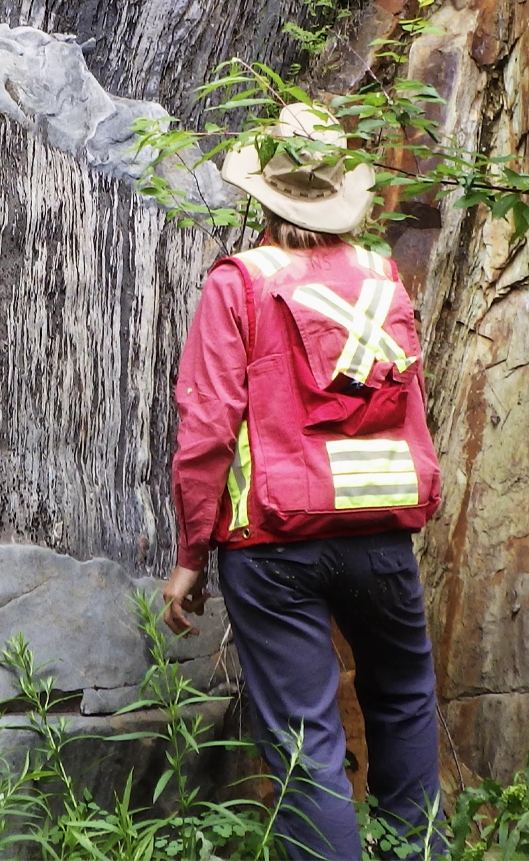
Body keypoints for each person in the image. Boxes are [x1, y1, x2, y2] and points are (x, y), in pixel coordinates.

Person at [160, 102, 445, 860]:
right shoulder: (381, 277)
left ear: (264, 195)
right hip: (381, 526)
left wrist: (192, 555)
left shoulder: (239, 282)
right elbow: (409, 404)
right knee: (407, 703)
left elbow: (207, 429)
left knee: (305, 740)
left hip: (276, 543)